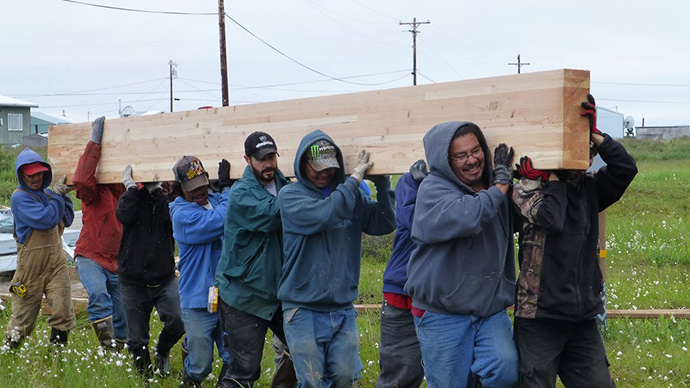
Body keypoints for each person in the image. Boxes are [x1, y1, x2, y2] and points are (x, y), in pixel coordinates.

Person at [511, 94, 637, 388]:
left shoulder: (590, 189)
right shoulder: (528, 189)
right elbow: (551, 218)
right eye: (581, 150)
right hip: (539, 319)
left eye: (590, 152)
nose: (587, 157)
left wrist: (596, 135)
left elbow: (626, 169)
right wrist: (549, 177)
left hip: (582, 320)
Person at [404, 121, 519, 388]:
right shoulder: (433, 189)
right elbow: (469, 216)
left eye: (476, 150)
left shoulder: (493, 187)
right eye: (460, 155)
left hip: (489, 309)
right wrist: (501, 186)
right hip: (442, 312)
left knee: (505, 370)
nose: (472, 160)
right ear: (445, 161)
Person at [278, 130, 396, 387]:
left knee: (345, 379)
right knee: (312, 382)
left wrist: (384, 184)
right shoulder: (291, 196)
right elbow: (325, 215)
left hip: (342, 308)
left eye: (329, 168)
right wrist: (353, 181)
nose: (324, 173)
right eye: (317, 167)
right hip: (302, 309)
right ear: (302, 164)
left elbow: (385, 223)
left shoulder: (351, 196)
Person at [215, 131, 297, 387]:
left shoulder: (285, 187)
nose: (268, 163)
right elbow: (274, 214)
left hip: (279, 293)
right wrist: (305, 189)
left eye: (271, 156)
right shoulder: (241, 193)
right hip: (244, 296)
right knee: (244, 370)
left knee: (304, 350)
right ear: (248, 160)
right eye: (261, 158)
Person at [116, 165, 185, 378]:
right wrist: (131, 188)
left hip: (163, 278)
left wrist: (157, 192)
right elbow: (123, 215)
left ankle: (162, 350)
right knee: (136, 341)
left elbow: (170, 218)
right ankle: (147, 379)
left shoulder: (174, 202)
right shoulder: (135, 197)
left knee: (178, 320)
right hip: (132, 281)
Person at [169, 155, 232, 387]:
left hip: (225, 296)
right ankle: (191, 376)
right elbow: (222, 219)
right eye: (192, 189)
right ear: (181, 190)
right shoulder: (181, 215)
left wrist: (223, 191)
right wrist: (226, 189)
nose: (199, 192)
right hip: (197, 300)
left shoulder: (215, 200)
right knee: (202, 364)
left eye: (203, 185)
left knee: (233, 356)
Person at [5, 149, 75, 348]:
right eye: (30, 175)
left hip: (57, 264)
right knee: (23, 318)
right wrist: (57, 196)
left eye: (39, 173)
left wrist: (64, 195)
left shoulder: (48, 194)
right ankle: (9, 355)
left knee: (63, 311)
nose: (36, 178)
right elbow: (46, 220)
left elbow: (67, 220)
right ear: (21, 176)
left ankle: (57, 357)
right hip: (31, 268)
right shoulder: (19, 198)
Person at [72, 116, 127, 350]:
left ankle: (119, 353)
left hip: (118, 260)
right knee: (98, 295)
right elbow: (82, 181)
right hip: (90, 256)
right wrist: (94, 142)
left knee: (122, 311)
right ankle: (107, 348)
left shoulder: (128, 191)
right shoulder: (93, 191)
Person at [376, 160, 428, 388]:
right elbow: (417, 224)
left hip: (444, 296)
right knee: (399, 375)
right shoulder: (411, 180)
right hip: (402, 292)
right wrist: (429, 186)